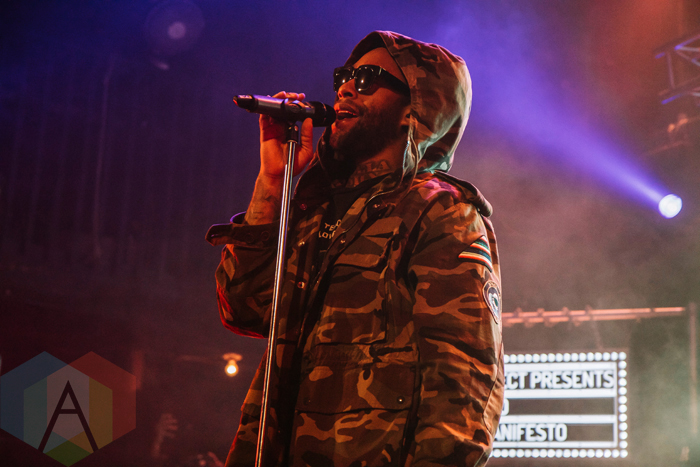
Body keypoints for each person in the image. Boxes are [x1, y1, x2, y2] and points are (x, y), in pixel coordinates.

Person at [206, 31, 504, 467]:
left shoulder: (440, 212)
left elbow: (464, 383)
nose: (345, 88)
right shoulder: (312, 209)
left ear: (415, 108)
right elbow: (243, 309)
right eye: (344, 77)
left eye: (367, 79)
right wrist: (272, 182)